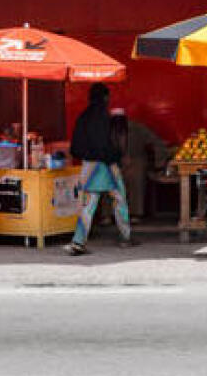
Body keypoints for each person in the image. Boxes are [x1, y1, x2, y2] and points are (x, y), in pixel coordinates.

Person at [65, 83, 133, 255]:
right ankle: (125, 237)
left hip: (88, 167)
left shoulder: (83, 117)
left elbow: (75, 148)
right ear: (105, 97)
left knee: (87, 206)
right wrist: (116, 158)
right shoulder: (105, 117)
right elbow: (107, 144)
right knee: (120, 200)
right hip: (107, 167)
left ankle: (78, 242)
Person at [112, 109, 168, 220]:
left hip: (136, 160)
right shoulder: (106, 130)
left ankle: (135, 213)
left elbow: (157, 143)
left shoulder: (137, 128)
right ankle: (109, 214)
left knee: (136, 177)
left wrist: (158, 164)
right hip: (115, 162)